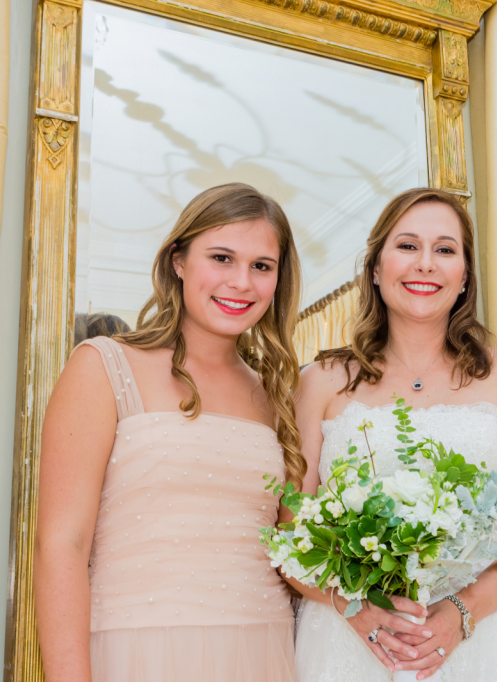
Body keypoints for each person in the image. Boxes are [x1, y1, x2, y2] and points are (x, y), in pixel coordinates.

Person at [289, 188, 497, 682]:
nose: (426, 264)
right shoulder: (320, 380)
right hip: (352, 643)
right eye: (407, 246)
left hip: (492, 634)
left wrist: (462, 612)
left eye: (445, 250)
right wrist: (357, 607)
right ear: (375, 268)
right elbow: (291, 536)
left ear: (465, 276)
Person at [34, 183, 305, 682]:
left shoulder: (279, 395)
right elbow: (62, 545)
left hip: (262, 652)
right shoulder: (102, 367)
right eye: (222, 257)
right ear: (178, 260)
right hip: (137, 654)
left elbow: (294, 552)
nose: (241, 282)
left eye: (261, 266)